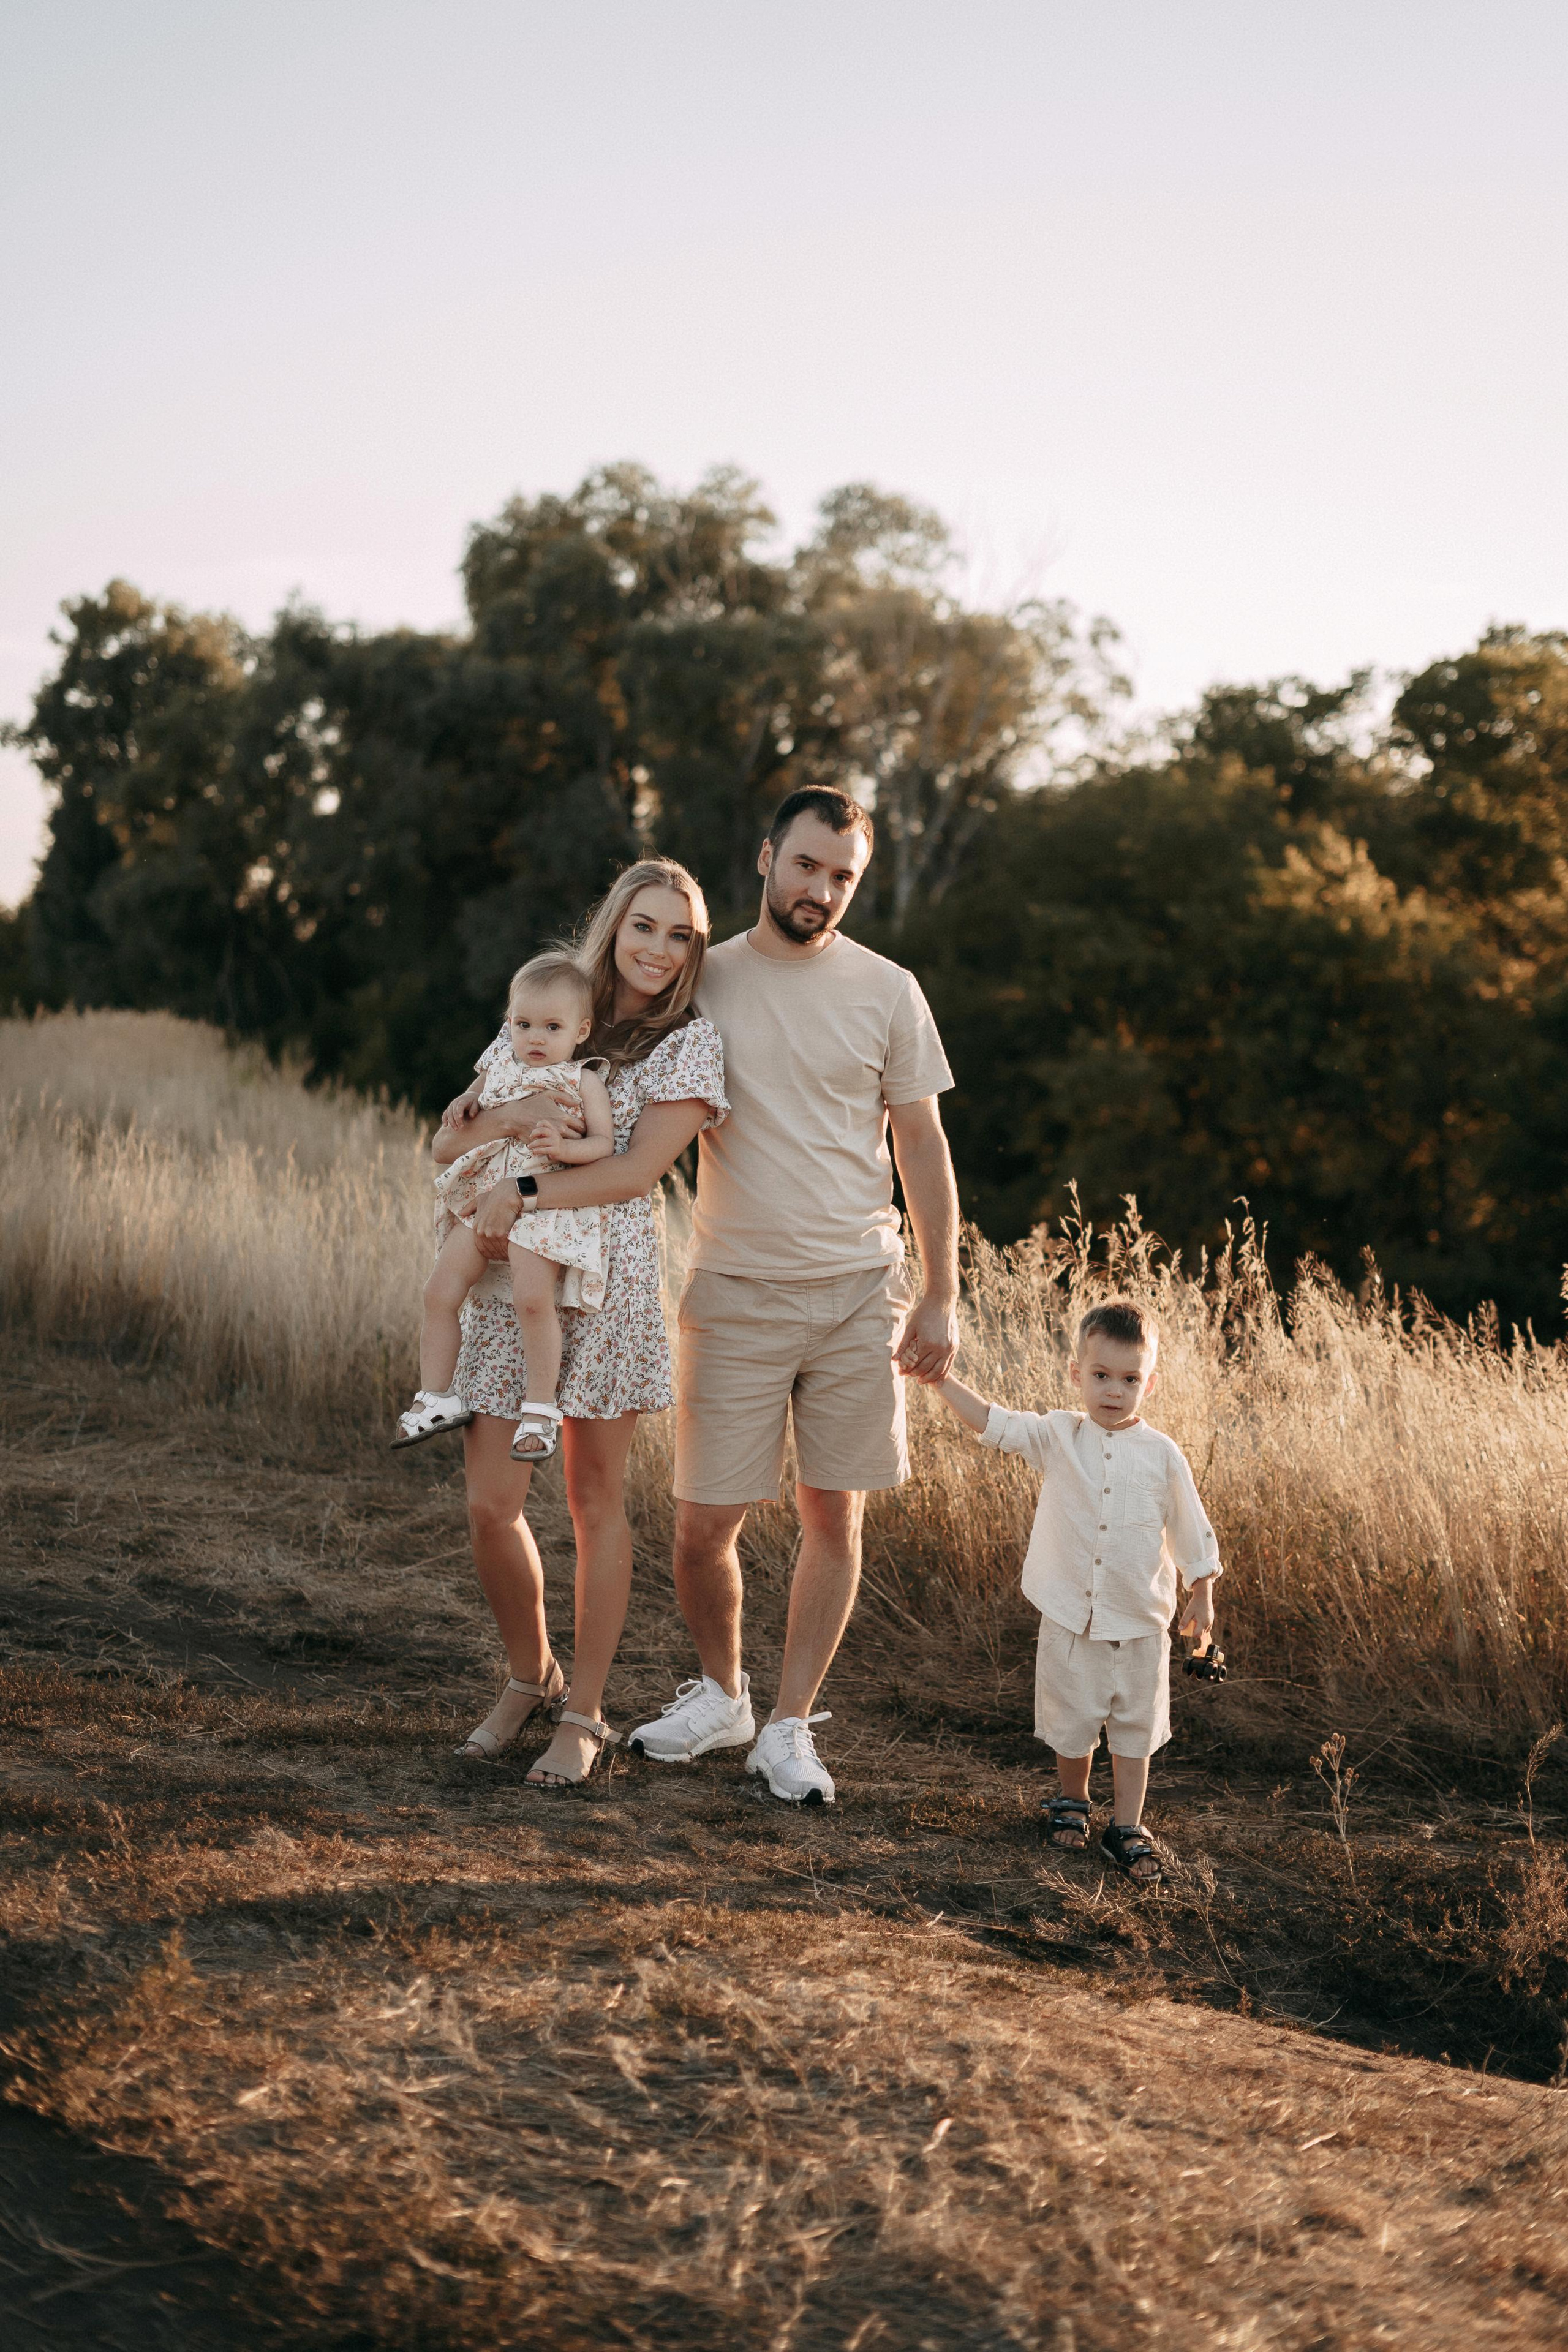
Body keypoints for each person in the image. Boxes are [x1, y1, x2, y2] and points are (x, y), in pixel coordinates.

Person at [627, 786, 961, 1806]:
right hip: (733, 1286)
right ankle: (722, 1695)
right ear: (767, 857)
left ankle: (787, 1727)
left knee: (834, 1514)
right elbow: (612, 1069)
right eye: (808, 866)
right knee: (700, 1527)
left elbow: (922, 1144)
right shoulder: (703, 978)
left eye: (843, 877)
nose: (822, 889)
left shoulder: (890, 990)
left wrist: (940, 1294)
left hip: (859, 1289)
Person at [435, 859, 728, 1789]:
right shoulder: (549, 1003)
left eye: (679, 935)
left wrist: (523, 1187)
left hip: (609, 1286)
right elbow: (459, 1131)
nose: (658, 949)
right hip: (509, 1278)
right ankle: (531, 1674)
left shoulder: (690, 1043)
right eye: (644, 926)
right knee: (490, 1506)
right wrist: (498, 1129)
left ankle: (584, 1711)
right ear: (613, 924)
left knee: (593, 1501)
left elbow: (635, 1172)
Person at [919, 1297, 1221, 1882]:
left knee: (1135, 1730)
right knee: (1072, 1719)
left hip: (1140, 1622)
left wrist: (1202, 1591)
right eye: (1101, 1375)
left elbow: (1192, 1528)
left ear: (1149, 1384)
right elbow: (996, 1423)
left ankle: (1127, 1826)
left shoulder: (1162, 1455)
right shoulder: (1059, 1435)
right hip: (1071, 1617)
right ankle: (1073, 1800)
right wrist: (939, 1379)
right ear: (1076, 1374)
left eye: (1129, 1379)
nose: (1114, 1391)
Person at [395, 953, 615, 1463]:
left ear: (581, 1031)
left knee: (533, 1300)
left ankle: (539, 1409)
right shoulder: (498, 1067)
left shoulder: (583, 1080)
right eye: (524, 1025)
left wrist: (566, 1149)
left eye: (553, 1027)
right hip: (485, 1201)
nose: (536, 1037)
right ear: (508, 1023)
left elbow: (604, 1145)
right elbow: (464, 1117)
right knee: (439, 1291)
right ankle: (437, 1397)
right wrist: (464, 1103)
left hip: (543, 1208)